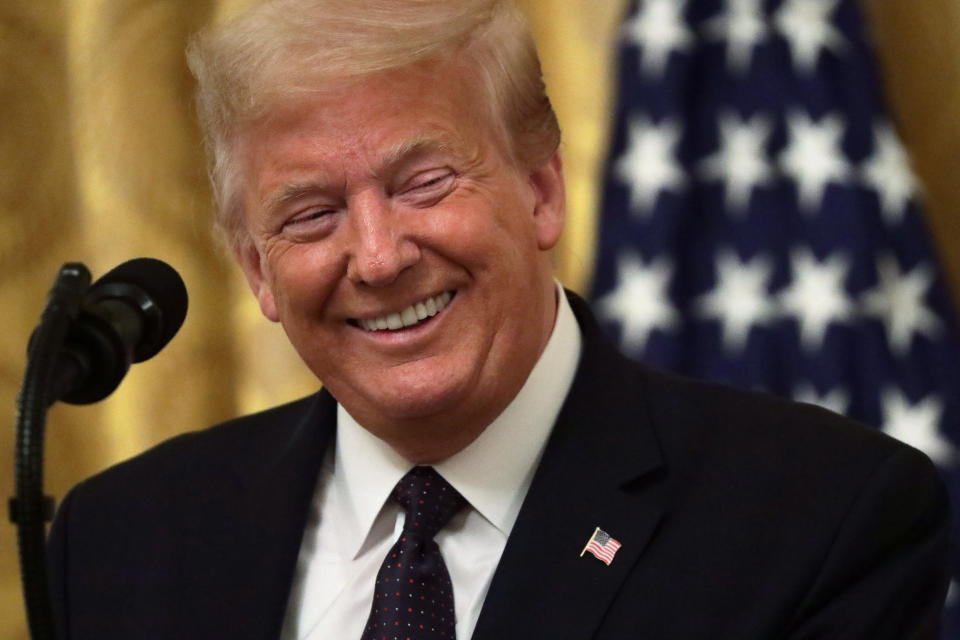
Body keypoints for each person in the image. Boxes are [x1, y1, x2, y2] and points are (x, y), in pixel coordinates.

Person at [46, 1, 951, 638]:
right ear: (258, 272)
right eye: (311, 215)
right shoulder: (123, 544)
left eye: (424, 183)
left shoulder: (819, 518)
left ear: (542, 191)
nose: (379, 255)